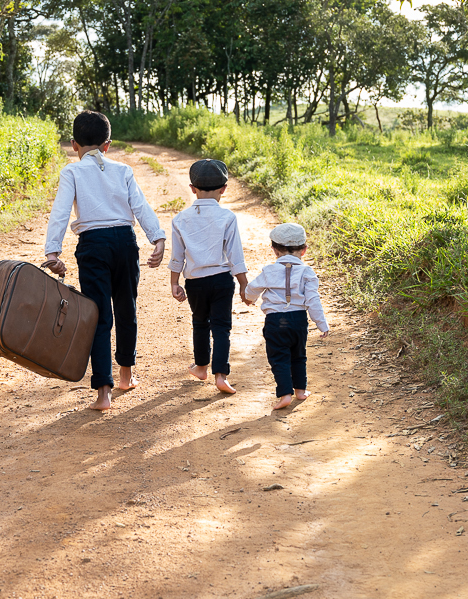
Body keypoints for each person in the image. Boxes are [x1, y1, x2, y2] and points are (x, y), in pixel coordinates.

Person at [42, 111, 166, 411]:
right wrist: (158, 238)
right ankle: (126, 375)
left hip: (93, 246)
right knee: (127, 307)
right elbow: (141, 206)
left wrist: (52, 252)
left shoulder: (71, 172)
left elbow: (60, 212)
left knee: (97, 315)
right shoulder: (123, 170)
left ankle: (103, 393)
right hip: (125, 242)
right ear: (107, 146)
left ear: (74, 145)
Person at [168, 159, 249, 395]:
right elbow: (236, 256)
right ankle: (221, 375)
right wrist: (244, 286)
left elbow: (177, 256)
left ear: (192, 188)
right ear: (224, 188)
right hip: (222, 280)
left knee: (200, 322)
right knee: (222, 327)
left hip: (195, 283)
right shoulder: (227, 217)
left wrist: (174, 283)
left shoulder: (180, 219)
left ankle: (201, 366)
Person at [243, 222, 330, 410]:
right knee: (299, 355)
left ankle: (284, 394)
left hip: (275, 321)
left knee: (279, 357)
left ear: (274, 250)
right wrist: (322, 324)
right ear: (304, 250)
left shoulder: (269, 271)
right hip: (298, 320)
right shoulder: (307, 272)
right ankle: (300, 390)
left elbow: (251, 289)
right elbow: (313, 300)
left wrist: (250, 299)